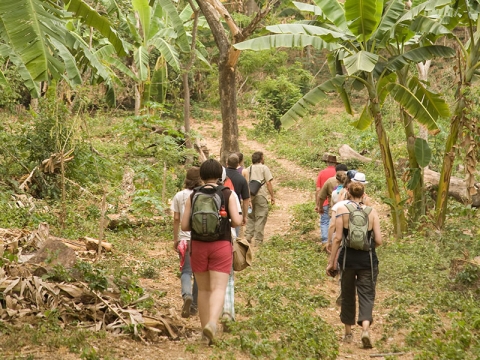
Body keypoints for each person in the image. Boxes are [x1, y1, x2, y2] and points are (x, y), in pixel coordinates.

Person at [181, 159, 242, 345]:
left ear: (201, 175)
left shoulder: (193, 195)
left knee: (204, 289)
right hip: (221, 245)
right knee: (219, 288)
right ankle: (213, 324)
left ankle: (204, 333)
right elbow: (237, 222)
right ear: (219, 175)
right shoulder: (227, 193)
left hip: (198, 246)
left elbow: (184, 225)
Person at [326, 182, 382, 349]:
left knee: (347, 293)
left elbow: (337, 238)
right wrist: (369, 247)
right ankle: (365, 329)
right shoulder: (372, 212)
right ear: (363, 195)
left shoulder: (342, 210)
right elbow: (379, 240)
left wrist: (331, 262)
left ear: (348, 194)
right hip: (367, 261)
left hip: (347, 259)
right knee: (366, 294)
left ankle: (348, 333)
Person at [171, 167, 202, 318]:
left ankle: (186, 295)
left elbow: (176, 219)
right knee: (198, 274)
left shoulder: (179, 195)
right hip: (200, 240)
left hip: (185, 239)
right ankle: (194, 305)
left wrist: (175, 238)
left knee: (186, 271)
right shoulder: (202, 194)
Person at [245, 151, 275, 246]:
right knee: (261, 217)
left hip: (250, 196)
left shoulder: (248, 169)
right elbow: (268, 183)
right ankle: (258, 241)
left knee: (251, 216)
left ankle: (248, 237)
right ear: (261, 159)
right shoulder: (264, 168)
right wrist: (272, 196)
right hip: (261, 195)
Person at [316, 163, 348, 247]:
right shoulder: (350, 182)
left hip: (332, 208)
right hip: (348, 211)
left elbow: (321, 195)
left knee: (328, 223)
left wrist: (320, 206)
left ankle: (326, 242)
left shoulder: (330, 181)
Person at [225, 153, 250, 237]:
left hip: (221, 209)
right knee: (235, 238)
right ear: (238, 164)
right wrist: (244, 216)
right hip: (236, 210)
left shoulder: (221, 175)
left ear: (226, 163)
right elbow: (246, 200)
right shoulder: (241, 179)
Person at [315, 154, 338, 244]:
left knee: (324, 222)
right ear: (335, 164)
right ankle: (333, 241)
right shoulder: (338, 174)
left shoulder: (322, 173)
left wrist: (317, 204)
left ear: (327, 163)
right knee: (334, 222)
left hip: (324, 202)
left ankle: (325, 241)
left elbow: (318, 190)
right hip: (336, 203)